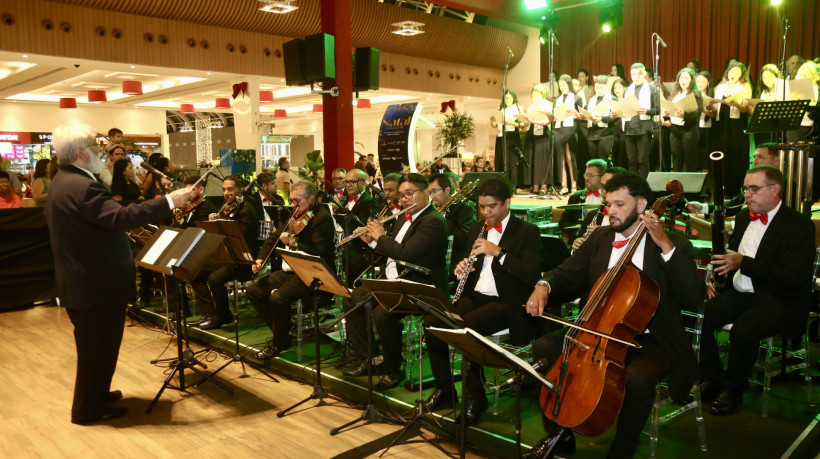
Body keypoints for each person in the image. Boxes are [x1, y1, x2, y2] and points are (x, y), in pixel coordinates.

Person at [523, 172, 705, 458]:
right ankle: (560, 436)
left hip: (650, 339)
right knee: (544, 347)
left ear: (642, 205)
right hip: (597, 331)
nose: (611, 211)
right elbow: (568, 271)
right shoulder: (601, 237)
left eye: (619, 204)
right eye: (608, 204)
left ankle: (623, 449)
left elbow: (695, 296)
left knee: (637, 377)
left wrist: (665, 246)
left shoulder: (674, 244)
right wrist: (544, 285)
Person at [44, 123, 191, 424]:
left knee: (99, 347)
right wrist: (169, 201)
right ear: (83, 153)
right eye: (96, 146)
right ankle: (87, 409)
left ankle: (98, 394)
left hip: (85, 283)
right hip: (94, 286)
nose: (102, 151)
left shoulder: (64, 181)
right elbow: (121, 217)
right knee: (95, 350)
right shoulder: (83, 187)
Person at [422, 178, 542, 423]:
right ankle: (445, 390)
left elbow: (531, 274)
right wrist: (463, 265)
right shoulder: (477, 227)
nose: (486, 212)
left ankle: (475, 397)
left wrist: (498, 252)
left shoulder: (526, 231)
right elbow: (472, 261)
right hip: (474, 295)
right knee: (433, 323)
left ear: (507, 203)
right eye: (482, 206)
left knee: (466, 330)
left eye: (492, 206)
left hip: (506, 302)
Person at [699, 165, 815, 416]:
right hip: (741, 293)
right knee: (700, 316)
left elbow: (793, 277)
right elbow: (730, 257)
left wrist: (744, 263)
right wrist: (716, 280)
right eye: (745, 188)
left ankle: (732, 389)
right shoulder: (743, 217)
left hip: (778, 299)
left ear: (775, 190)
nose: (747, 194)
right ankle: (712, 377)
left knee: (744, 330)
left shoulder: (799, 225)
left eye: (754, 189)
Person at [341, 174, 448, 388]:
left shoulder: (433, 222)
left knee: (382, 313)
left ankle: (393, 368)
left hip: (418, 285)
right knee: (353, 299)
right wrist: (371, 242)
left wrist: (380, 236)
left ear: (426, 193)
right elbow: (390, 252)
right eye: (401, 195)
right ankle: (372, 358)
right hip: (394, 281)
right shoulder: (403, 217)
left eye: (410, 194)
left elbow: (405, 253)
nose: (405, 199)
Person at [248, 180, 335, 359]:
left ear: (311, 198)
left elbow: (319, 252)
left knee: (277, 297)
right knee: (254, 291)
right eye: (291, 200)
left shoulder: (322, 218)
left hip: (310, 273)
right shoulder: (295, 214)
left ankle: (278, 343)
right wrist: (259, 259)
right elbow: (274, 237)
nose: (293, 205)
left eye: (297, 201)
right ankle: (284, 329)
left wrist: (294, 244)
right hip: (289, 271)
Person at [190, 175, 260, 330]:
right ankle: (210, 313)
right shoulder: (228, 207)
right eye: (224, 190)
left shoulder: (246, 209)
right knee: (194, 271)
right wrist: (212, 224)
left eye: (230, 189)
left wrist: (221, 224)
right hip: (227, 256)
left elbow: (242, 241)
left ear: (240, 190)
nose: (226, 193)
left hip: (244, 260)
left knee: (215, 279)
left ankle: (223, 316)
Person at [686, 143, 780, 218]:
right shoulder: (750, 184)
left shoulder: (788, 187)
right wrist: (702, 207)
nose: (754, 161)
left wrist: (733, 225)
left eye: (760, 157)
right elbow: (731, 207)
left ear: (776, 161)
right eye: (754, 157)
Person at [428, 173, 476, 274]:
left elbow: (464, 239)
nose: (432, 196)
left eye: (435, 191)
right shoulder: (431, 210)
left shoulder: (464, 209)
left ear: (447, 190)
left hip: (453, 264)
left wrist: (442, 220)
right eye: (430, 193)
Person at [336, 168, 376, 287]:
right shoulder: (345, 199)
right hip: (347, 241)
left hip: (361, 245)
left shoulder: (369, 201)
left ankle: (351, 292)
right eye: (346, 182)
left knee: (349, 259)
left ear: (363, 182)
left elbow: (363, 227)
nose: (348, 185)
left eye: (352, 182)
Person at [570, 166, 624, 252]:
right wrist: (576, 248)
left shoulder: (629, 219)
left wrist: (602, 234)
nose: (604, 191)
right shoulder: (592, 215)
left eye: (609, 186)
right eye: (602, 187)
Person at [623, 63, 660, 178]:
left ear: (644, 74)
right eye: (633, 74)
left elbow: (658, 109)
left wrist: (647, 111)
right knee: (631, 160)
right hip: (629, 128)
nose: (636, 76)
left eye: (639, 74)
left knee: (642, 160)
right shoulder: (627, 90)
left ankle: (643, 184)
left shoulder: (652, 89)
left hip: (644, 129)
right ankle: (633, 185)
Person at [558, 159, 607, 245]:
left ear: (602, 176)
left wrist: (601, 230)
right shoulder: (575, 197)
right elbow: (563, 222)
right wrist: (579, 231)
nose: (587, 178)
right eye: (586, 175)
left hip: (602, 243)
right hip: (579, 243)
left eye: (591, 175)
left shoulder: (608, 198)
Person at [666, 67, 703, 172]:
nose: (683, 80)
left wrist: (684, 114)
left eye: (686, 78)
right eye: (681, 78)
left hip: (689, 129)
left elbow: (698, 112)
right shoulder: (675, 94)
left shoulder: (696, 94)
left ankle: (687, 186)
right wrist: (667, 112)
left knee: (688, 159)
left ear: (691, 80)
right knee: (676, 157)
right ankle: (676, 184)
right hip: (675, 129)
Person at [491, 89, 526, 189]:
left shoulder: (518, 108)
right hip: (501, 136)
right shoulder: (500, 109)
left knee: (512, 161)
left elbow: (523, 125)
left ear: (514, 98)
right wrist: (492, 119)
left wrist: (512, 123)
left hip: (512, 136)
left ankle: (513, 185)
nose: (507, 100)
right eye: (506, 98)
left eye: (510, 98)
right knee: (500, 159)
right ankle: (501, 184)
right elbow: (494, 125)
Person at [553, 74, 581, 194]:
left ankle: (574, 185)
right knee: (561, 158)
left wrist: (573, 111)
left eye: (564, 85)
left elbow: (581, 116)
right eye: (560, 86)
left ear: (569, 85)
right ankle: (564, 185)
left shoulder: (576, 98)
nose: (562, 87)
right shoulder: (557, 99)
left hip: (570, 128)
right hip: (559, 129)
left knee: (570, 157)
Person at [526, 83, 553, 194]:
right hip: (532, 133)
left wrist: (536, 120)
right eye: (533, 94)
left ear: (542, 94)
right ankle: (535, 184)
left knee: (543, 160)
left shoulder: (548, 104)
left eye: (537, 94)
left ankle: (544, 185)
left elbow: (549, 120)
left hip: (544, 133)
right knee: (534, 160)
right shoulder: (531, 106)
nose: (535, 96)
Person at [581, 75, 616, 162]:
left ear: (606, 87)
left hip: (606, 134)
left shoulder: (612, 99)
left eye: (601, 87)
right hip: (592, 134)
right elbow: (586, 112)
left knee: (603, 161)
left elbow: (614, 117)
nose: (598, 90)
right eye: (597, 87)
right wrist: (582, 115)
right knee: (594, 161)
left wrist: (602, 118)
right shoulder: (591, 100)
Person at [696, 71, 716, 171]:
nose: (700, 83)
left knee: (705, 154)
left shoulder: (712, 95)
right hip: (694, 127)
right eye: (698, 81)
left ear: (708, 83)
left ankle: (706, 176)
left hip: (707, 128)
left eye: (703, 81)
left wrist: (703, 109)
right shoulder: (693, 95)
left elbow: (714, 114)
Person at [611, 78, 630, 168]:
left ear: (624, 88)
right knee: (615, 156)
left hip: (625, 131)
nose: (617, 90)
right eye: (615, 88)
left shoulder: (628, 100)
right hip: (614, 131)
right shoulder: (612, 101)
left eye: (619, 87)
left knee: (623, 156)